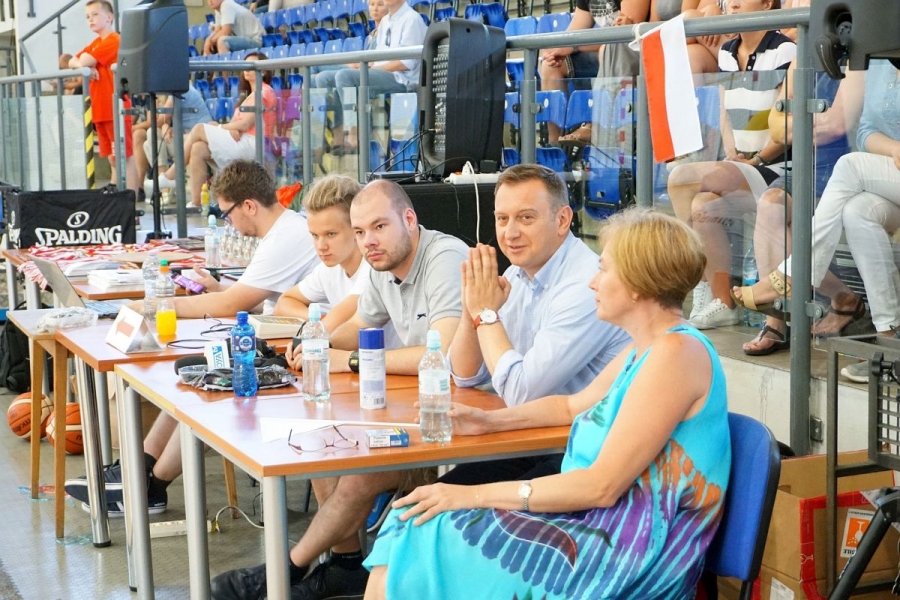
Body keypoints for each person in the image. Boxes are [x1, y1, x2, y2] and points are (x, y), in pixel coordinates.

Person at [362, 208, 731, 599]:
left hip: (619, 554)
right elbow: (570, 407)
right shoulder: (647, 348)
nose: (593, 282)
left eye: (604, 270)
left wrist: (471, 495)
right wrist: (489, 421)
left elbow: (602, 487)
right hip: (590, 526)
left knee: (422, 528)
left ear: (638, 283)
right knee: (410, 522)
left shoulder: (676, 353)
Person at [210, 179, 469, 600]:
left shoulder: (444, 258)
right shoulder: (383, 267)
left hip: (460, 417)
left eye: (379, 227)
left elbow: (446, 356)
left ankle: (284, 572)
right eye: (362, 231)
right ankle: (344, 567)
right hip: (412, 406)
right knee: (319, 441)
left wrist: (347, 360)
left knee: (358, 468)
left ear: (409, 219)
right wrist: (317, 345)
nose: (369, 241)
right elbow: (359, 325)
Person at [64, 160, 319, 516]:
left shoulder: (285, 237)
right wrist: (218, 289)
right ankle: (138, 470)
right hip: (282, 340)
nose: (228, 222)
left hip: (299, 354)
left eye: (227, 213)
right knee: (192, 377)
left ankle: (148, 485)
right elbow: (253, 297)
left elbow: (232, 305)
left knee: (208, 388)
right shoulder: (283, 231)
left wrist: (156, 305)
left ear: (248, 205)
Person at [733, 60, 900, 382]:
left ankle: (792, 275)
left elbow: (838, 127)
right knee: (857, 211)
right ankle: (889, 337)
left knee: (849, 166)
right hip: (890, 172)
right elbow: (865, 131)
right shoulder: (879, 61)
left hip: (882, 172)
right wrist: (894, 148)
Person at [449, 164, 629, 406]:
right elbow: (464, 375)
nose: (510, 233)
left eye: (526, 218)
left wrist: (485, 313)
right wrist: (472, 307)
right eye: (502, 219)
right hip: (537, 423)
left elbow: (521, 394)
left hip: (581, 428)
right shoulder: (515, 274)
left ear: (562, 220)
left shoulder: (586, 286)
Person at [667, 0, 794, 329]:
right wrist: (731, 154)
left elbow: (787, 127)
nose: (733, 2)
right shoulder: (726, 51)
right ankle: (723, 302)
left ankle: (697, 278)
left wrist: (754, 159)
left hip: (777, 168)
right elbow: (725, 113)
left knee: (680, 177)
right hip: (742, 164)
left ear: (767, 3)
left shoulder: (785, 50)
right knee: (701, 203)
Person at [274, 175, 400, 368]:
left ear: (356, 229)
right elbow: (284, 303)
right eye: (315, 235)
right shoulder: (329, 268)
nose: (321, 246)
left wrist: (317, 328)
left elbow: (338, 321)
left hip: (391, 371)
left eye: (330, 234)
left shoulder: (374, 268)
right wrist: (317, 320)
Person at [158, 52, 276, 207]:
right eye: (245, 66)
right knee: (198, 148)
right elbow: (236, 124)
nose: (247, 70)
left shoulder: (264, 92)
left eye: (252, 66)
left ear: (264, 71)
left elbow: (245, 124)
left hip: (255, 144)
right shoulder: (249, 94)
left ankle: (172, 176)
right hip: (241, 140)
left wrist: (220, 127)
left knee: (199, 128)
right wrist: (227, 128)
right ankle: (197, 202)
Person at [69, 0, 139, 197]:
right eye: (87, 17)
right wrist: (85, 68)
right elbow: (72, 61)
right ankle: (116, 196)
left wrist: (86, 65)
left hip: (115, 107)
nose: (90, 20)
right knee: (112, 158)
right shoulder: (95, 43)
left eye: (95, 15)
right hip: (101, 108)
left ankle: (131, 201)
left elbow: (84, 59)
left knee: (125, 156)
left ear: (109, 17)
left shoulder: (114, 40)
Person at [318, 0, 426, 98]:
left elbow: (407, 64)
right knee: (324, 77)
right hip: (382, 73)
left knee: (344, 76)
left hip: (403, 80)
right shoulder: (385, 21)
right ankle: (340, 114)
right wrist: (368, 68)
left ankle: (352, 114)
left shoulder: (412, 19)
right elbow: (378, 57)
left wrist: (372, 69)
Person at [134, 84, 213, 195]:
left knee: (152, 138)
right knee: (151, 136)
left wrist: (162, 121)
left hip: (199, 138)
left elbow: (159, 120)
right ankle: (164, 183)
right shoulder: (178, 89)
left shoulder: (182, 89)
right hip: (187, 135)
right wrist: (165, 125)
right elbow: (164, 120)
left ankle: (166, 182)